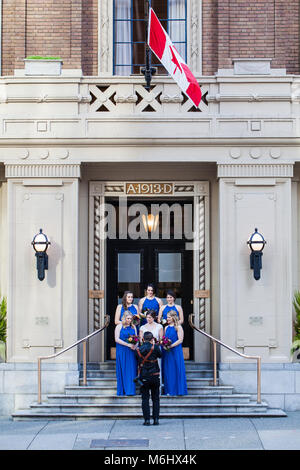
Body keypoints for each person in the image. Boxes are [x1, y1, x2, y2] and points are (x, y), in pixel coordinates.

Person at [135, 331, 162, 426]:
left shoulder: (138, 349)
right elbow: (160, 355)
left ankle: (146, 420)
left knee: (145, 399)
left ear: (143, 339)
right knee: (156, 398)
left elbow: (137, 360)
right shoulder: (155, 348)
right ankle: (156, 419)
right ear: (152, 339)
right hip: (154, 375)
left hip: (144, 376)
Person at [162, 310, 187, 396]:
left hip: (176, 351)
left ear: (173, 317)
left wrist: (171, 346)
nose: (167, 319)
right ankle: (169, 390)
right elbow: (164, 339)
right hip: (168, 352)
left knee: (176, 369)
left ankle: (178, 390)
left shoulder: (178, 327)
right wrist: (164, 344)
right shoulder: (166, 328)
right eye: (167, 317)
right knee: (169, 370)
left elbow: (180, 340)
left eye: (169, 317)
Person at [115, 312, 138, 396]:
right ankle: (123, 390)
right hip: (122, 350)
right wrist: (127, 344)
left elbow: (136, 338)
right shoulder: (119, 326)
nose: (129, 320)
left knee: (131, 369)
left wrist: (135, 345)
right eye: (128, 318)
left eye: (130, 319)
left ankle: (130, 390)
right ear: (124, 318)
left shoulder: (133, 326)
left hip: (131, 351)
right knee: (123, 369)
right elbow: (116, 339)